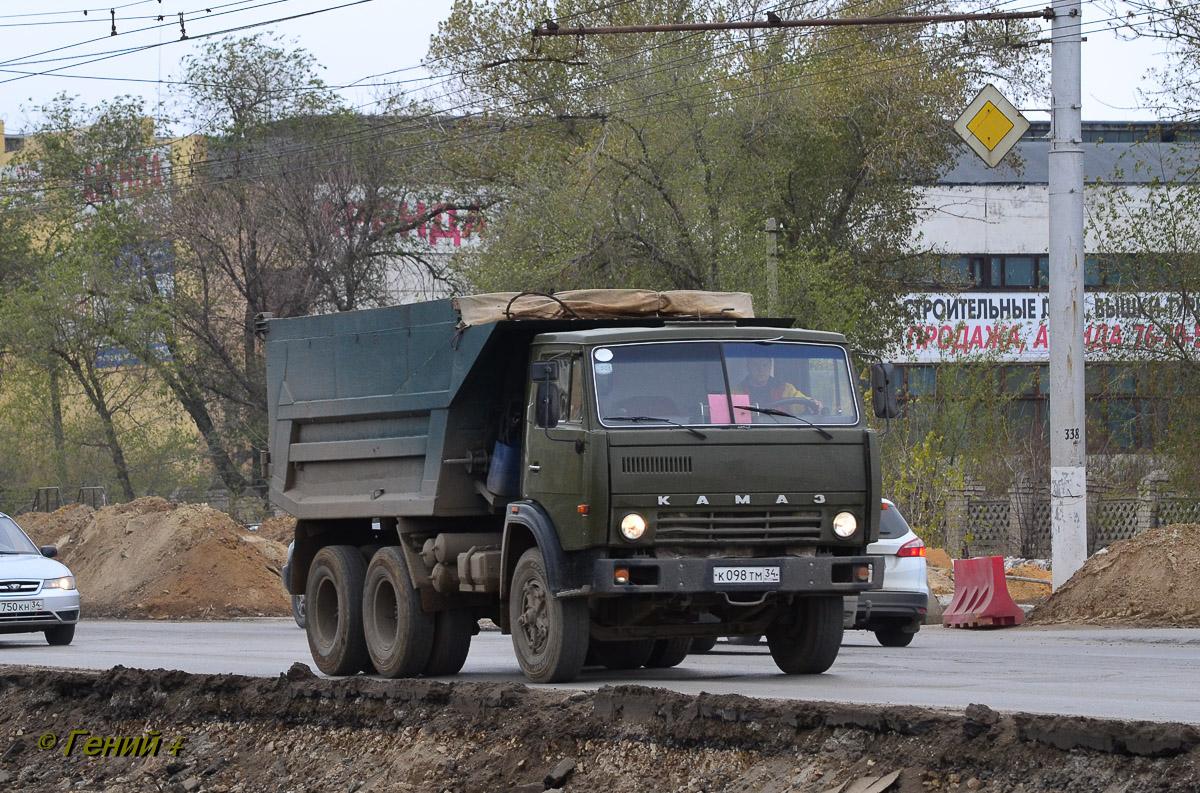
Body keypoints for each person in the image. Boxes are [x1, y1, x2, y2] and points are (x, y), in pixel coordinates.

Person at [736, 357, 822, 414]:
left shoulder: (785, 388)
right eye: (756, 364)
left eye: (765, 365)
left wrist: (813, 403)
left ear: (770, 367)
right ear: (748, 367)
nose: (761, 369)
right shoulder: (736, 392)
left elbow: (801, 402)